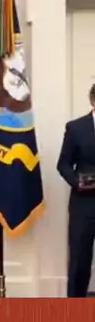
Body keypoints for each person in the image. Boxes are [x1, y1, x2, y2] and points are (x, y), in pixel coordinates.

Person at [57, 83, 95, 297]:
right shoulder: (76, 128)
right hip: (84, 205)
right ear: (93, 101)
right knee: (79, 262)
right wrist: (78, 182)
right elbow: (63, 164)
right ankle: (74, 311)